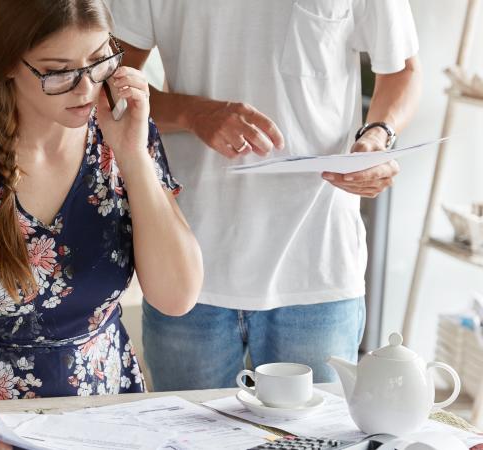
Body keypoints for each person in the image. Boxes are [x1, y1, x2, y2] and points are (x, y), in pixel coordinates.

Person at [0, 0, 202, 402]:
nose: (86, 87)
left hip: (106, 406)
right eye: (58, 72)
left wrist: (133, 156)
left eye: (98, 61)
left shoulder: (127, 139)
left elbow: (177, 297)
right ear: (7, 66)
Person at [109, 0, 422, 390]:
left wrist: (379, 136)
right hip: (188, 266)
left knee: (315, 439)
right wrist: (193, 113)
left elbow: (403, 69)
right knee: (187, 439)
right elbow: (110, 81)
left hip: (317, 267)